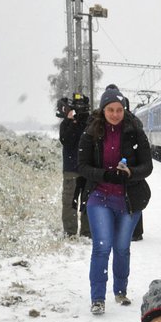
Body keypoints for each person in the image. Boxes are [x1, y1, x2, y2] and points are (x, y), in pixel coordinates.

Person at [78, 85, 153, 316]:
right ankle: (97, 298)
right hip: (99, 196)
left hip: (128, 199)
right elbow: (81, 166)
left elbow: (147, 166)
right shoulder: (91, 132)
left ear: (124, 110)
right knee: (102, 247)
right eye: (110, 109)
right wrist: (104, 175)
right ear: (103, 110)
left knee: (122, 248)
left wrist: (130, 172)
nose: (115, 114)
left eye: (119, 110)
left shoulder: (135, 132)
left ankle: (120, 291)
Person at [57, 92, 91, 238]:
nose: (80, 108)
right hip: (71, 168)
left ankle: (87, 232)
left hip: (87, 169)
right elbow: (66, 140)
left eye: (82, 105)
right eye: (77, 105)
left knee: (88, 202)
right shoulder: (67, 122)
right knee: (70, 201)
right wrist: (71, 121)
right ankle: (70, 232)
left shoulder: (90, 122)